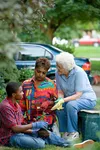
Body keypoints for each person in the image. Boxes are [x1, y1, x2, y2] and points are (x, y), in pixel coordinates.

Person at [0, 82, 94, 149]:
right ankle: (42, 140)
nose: (23, 93)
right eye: (20, 92)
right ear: (13, 94)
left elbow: (20, 125)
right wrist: (34, 125)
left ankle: (69, 144)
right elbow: (15, 128)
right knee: (40, 144)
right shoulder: (5, 107)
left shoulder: (16, 105)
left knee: (45, 133)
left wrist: (35, 131)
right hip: (10, 138)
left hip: (20, 133)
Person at [51, 52, 97, 141]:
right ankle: (65, 132)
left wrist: (63, 100)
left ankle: (73, 132)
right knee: (59, 107)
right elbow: (60, 91)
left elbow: (78, 95)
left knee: (71, 105)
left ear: (67, 67)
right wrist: (60, 98)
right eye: (57, 66)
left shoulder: (79, 72)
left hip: (86, 99)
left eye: (59, 66)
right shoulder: (58, 73)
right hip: (70, 99)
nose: (57, 68)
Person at [19, 57, 60, 136]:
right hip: (29, 122)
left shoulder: (51, 85)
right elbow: (21, 106)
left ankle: (51, 130)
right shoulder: (26, 84)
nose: (40, 75)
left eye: (43, 73)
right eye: (38, 71)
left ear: (47, 72)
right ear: (34, 69)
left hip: (46, 121)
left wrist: (48, 102)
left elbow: (57, 103)